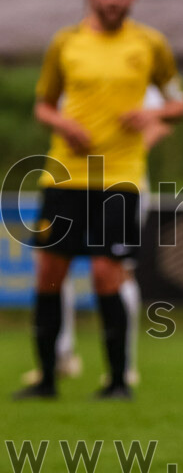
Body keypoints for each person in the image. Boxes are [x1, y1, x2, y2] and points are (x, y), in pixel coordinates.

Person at [16, 0, 183, 401]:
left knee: (106, 273)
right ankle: (47, 377)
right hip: (65, 176)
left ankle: (116, 381)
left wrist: (153, 112)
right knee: (49, 274)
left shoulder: (150, 44)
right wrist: (63, 124)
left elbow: (178, 104)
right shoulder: (65, 43)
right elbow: (43, 104)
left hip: (120, 178)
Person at [20, 86, 174, 389]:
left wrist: (128, 150)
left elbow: (164, 118)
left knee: (114, 270)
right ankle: (59, 357)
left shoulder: (138, 62)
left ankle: (123, 369)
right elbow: (46, 109)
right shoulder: (70, 61)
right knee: (51, 266)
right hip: (71, 180)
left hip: (121, 182)